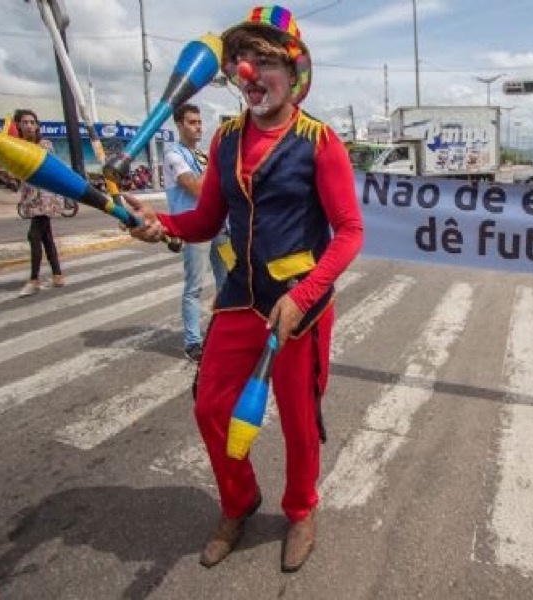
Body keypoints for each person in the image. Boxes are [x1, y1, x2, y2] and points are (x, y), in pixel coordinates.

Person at [125, 5, 363, 573]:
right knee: (210, 406)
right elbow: (205, 220)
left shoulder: (319, 140)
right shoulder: (228, 139)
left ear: (295, 70)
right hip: (239, 296)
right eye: (242, 60)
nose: (250, 71)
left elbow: (350, 232)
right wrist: (161, 225)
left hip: (299, 305)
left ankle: (301, 510)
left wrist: (304, 297)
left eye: (265, 60)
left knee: (301, 421)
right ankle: (239, 500)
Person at [164, 102, 229, 361]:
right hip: (195, 228)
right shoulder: (174, 155)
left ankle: (223, 332)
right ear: (179, 125)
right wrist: (216, 161)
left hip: (220, 227)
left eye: (200, 122)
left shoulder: (201, 155)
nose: (198, 127)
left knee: (228, 283)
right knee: (194, 287)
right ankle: (193, 342)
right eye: (192, 122)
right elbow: (197, 189)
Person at [13, 109, 65, 297]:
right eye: (24, 122)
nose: (28, 125)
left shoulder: (45, 145)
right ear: (18, 125)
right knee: (46, 237)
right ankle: (58, 274)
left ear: (37, 125)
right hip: (30, 197)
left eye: (32, 122)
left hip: (46, 197)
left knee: (33, 235)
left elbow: (44, 167)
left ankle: (34, 280)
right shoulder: (16, 145)